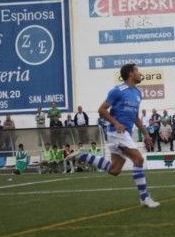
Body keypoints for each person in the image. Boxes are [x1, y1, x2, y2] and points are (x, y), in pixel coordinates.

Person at [65, 64, 159, 208]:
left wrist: (146, 134)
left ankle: (83, 156)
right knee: (138, 159)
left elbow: (135, 117)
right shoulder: (117, 91)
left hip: (123, 133)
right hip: (117, 133)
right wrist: (115, 123)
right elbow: (102, 110)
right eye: (137, 71)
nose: (140, 73)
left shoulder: (138, 93)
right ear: (130, 73)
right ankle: (144, 198)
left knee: (114, 170)